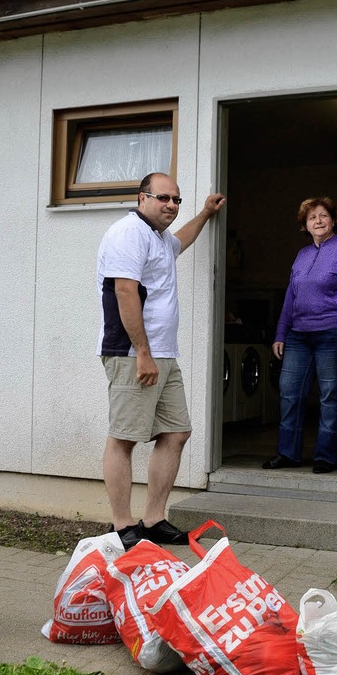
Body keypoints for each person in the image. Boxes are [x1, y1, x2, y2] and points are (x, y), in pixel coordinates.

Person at [97, 172, 226, 549]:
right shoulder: (128, 233)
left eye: (176, 200)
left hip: (163, 354)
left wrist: (203, 213)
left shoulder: (157, 237)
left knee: (176, 432)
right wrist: (143, 353)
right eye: (163, 198)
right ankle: (121, 526)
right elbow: (124, 292)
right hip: (132, 354)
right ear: (142, 198)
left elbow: (178, 244)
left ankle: (153, 520)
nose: (171, 205)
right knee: (124, 438)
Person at [263, 196, 337, 474]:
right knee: (289, 393)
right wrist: (280, 333)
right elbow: (290, 297)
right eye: (312, 218)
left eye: (323, 216)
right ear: (305, 225)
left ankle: (326, 457)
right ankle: (288, 453)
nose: (318, 221)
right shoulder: (302, 255)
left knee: (330, 396)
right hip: (298, 335)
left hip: (332, 333)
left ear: (333, 220)